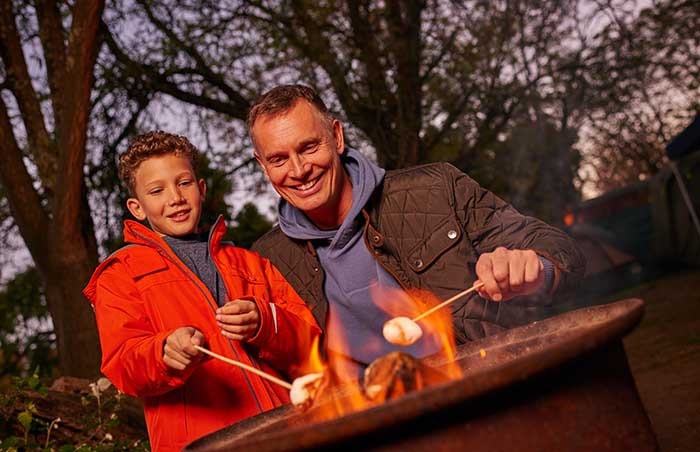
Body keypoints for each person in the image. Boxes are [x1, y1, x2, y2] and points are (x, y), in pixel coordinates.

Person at [249, 84, 585, 380]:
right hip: (373, 425)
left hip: (485, 386)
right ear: (262, 166)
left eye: (309, 147)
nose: (298, 170)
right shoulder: (266, 260)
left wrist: (536, 269)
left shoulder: (435, 188)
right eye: (278, 159)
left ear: (336, 137)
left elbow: (557, 248)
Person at [83, 131, 321, 452]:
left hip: (287, 431)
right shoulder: (121, 274)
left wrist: (267, 322)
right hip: (204, 444)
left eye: (184, 183)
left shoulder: (251, 263)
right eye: (157, 190)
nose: (175, 198)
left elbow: (312, 347)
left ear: (201, 189)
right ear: (137, 207)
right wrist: (164, 351)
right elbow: (123, 363)